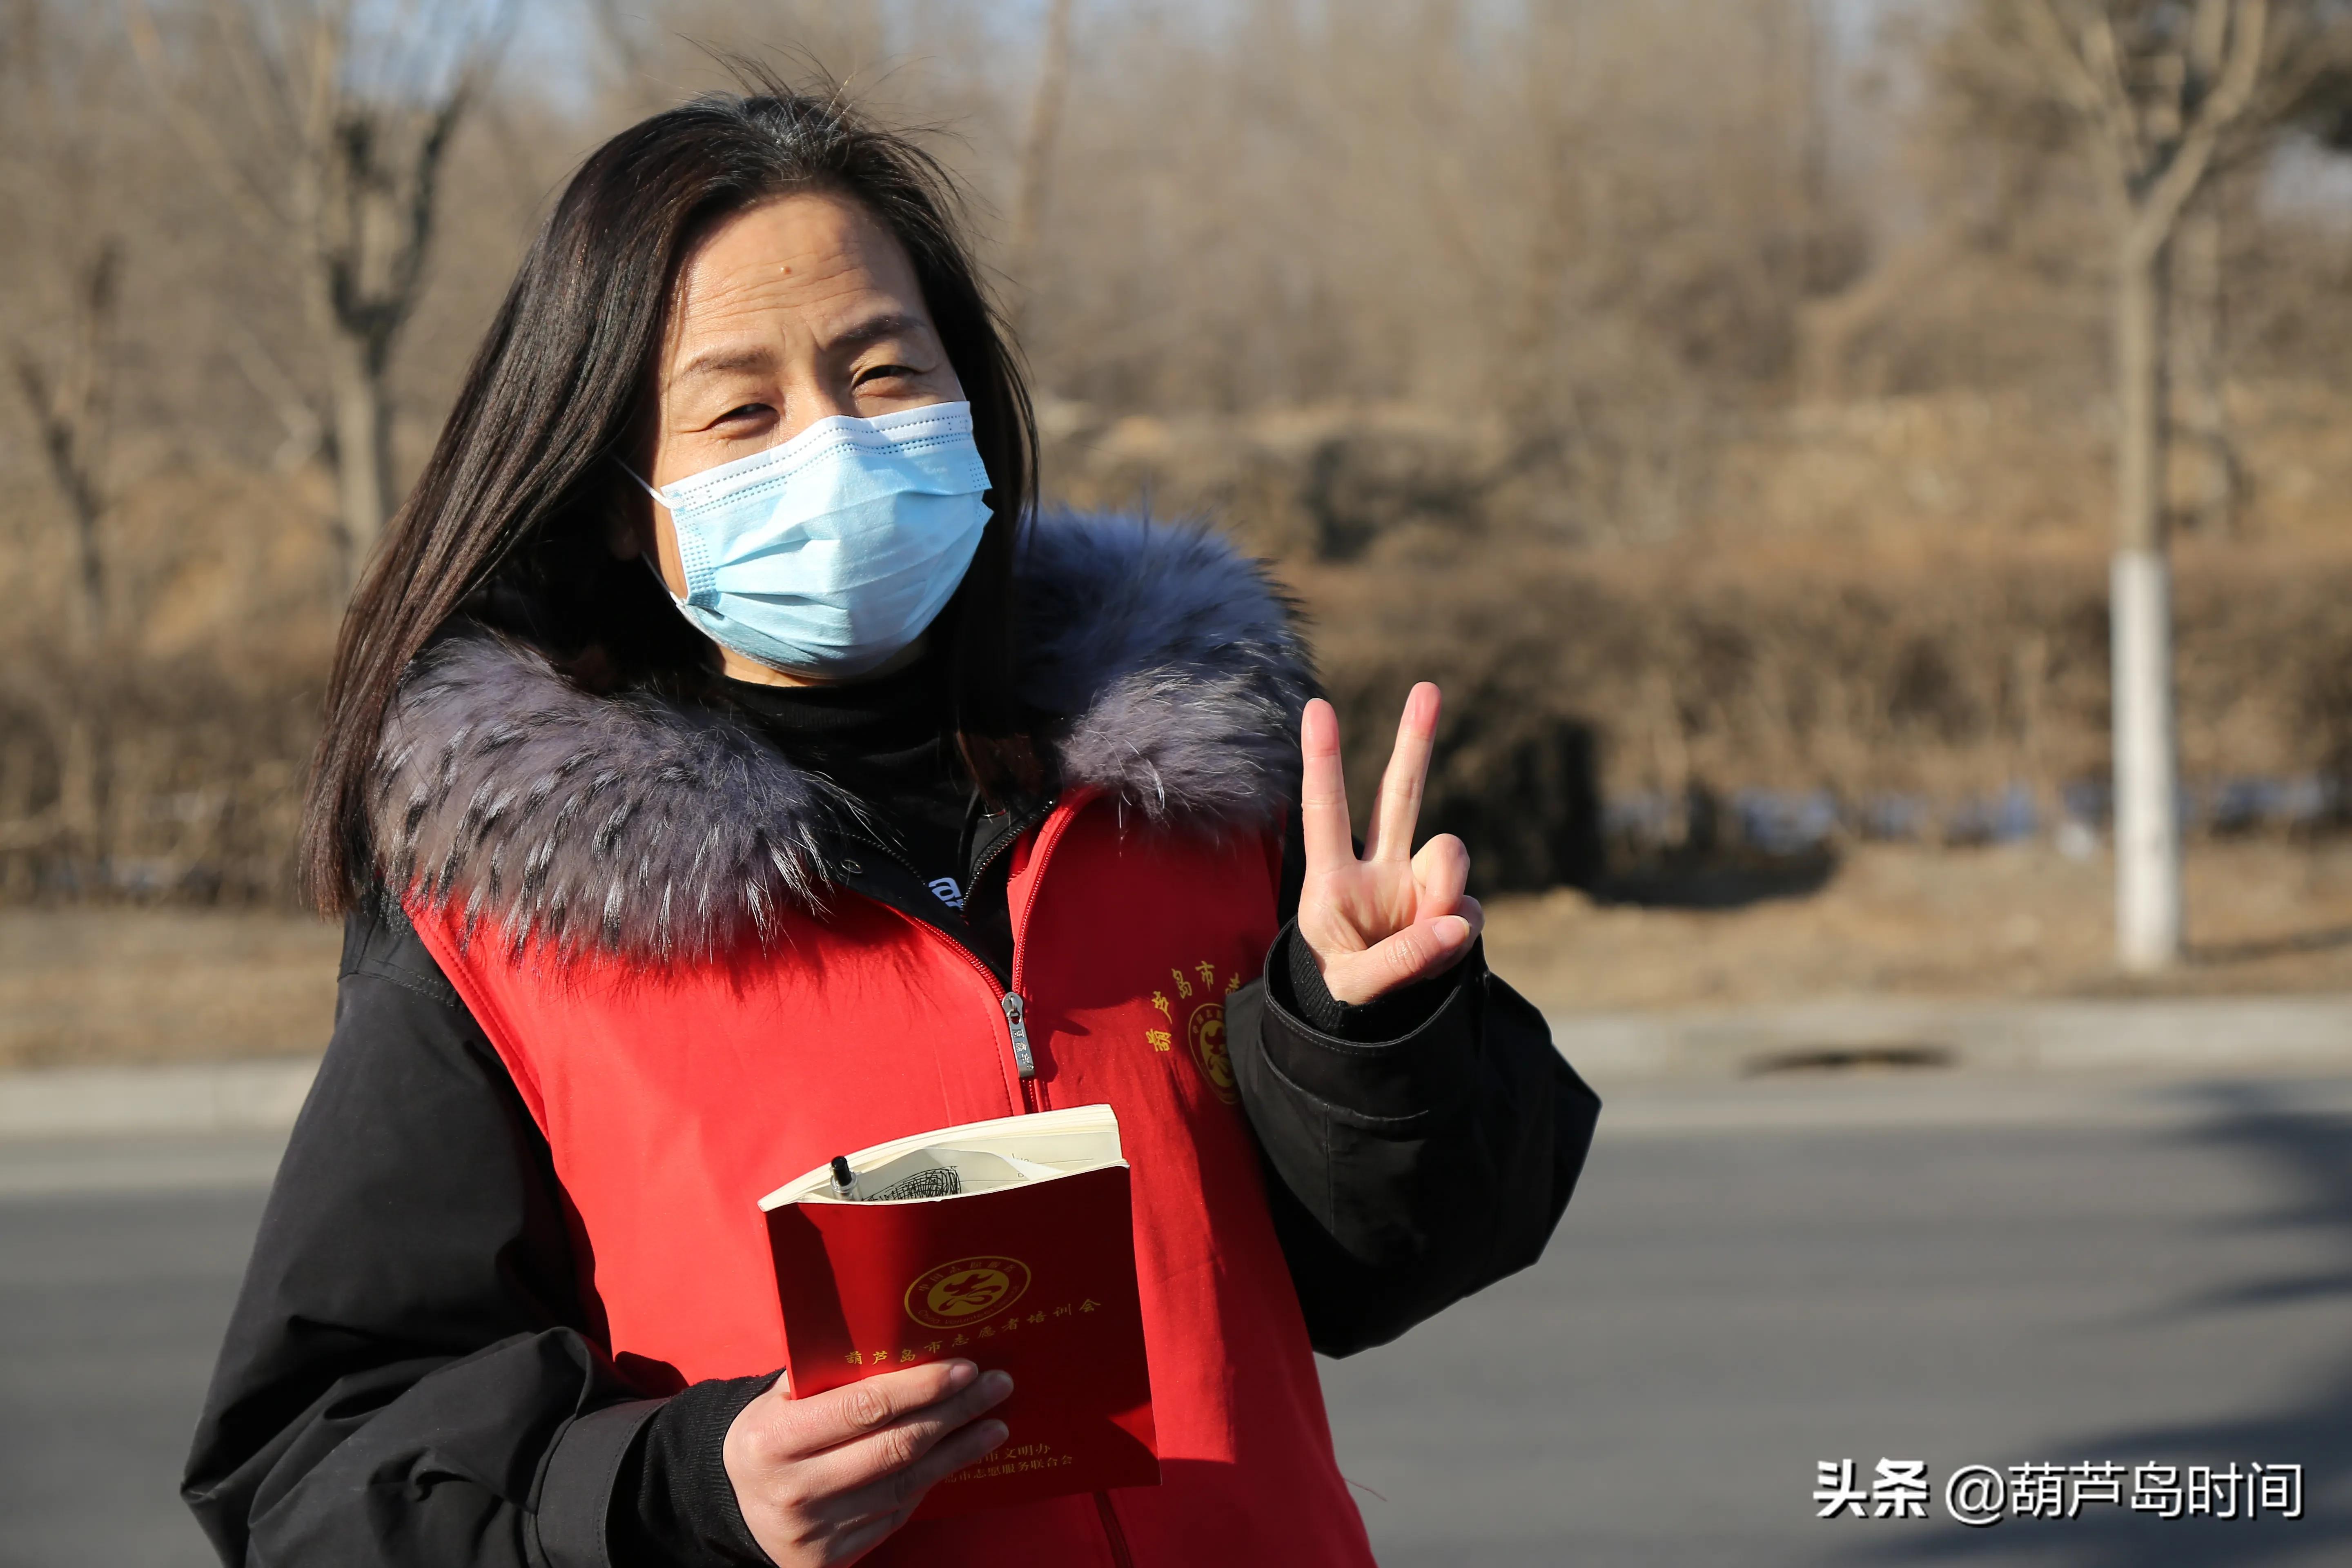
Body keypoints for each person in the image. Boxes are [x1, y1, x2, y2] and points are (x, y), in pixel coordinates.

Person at [183, 76, 1599, 1568]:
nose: (836, 446)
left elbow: (1395, 1264)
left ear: (971, 407)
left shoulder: (1193, 788)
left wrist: (1359, 1044)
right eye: (744, 410)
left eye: (883, 373)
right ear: (620, 498)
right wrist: (685, 1490)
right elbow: (320, 1468)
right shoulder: (503, 915)